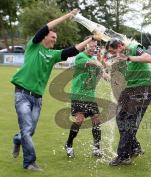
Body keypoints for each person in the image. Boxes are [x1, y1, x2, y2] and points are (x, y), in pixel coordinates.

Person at [11, 9, 101, 171]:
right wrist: (68, 16)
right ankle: (30, 162)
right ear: (44, 37)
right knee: (27, 129)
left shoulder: (53, 55)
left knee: (29, 131)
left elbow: (72, 50)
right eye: (53, 37)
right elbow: (45, 27)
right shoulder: (33, 46)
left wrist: (91, 39)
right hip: (22, 94)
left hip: (37, 98)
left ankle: (17, 140)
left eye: (56, 38)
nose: (54, 40)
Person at [105, 38, 151, 166]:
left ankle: (123, 156)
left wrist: (128, 58)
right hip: (130, 88)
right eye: (111, 52)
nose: (114, 54)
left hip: (143, 87)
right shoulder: (121, 57)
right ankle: (135, 147)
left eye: (114, 50)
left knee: (129, 120)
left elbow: (148, 58)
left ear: (121, 45)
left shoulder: (134, 47)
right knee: (120, 117)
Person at [64, 39, 104, 158]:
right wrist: (101, 61)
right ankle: (69, 144)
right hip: (79, 94)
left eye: (95, 47)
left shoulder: (95, 59)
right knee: (79, 120)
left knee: (96, 120)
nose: (93, 48)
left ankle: (96, 148)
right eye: (91, 46)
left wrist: (109, 77)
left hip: (90, 95)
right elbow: (92, 64)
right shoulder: (81, 56)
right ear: (85, 46)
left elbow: (101, 73)